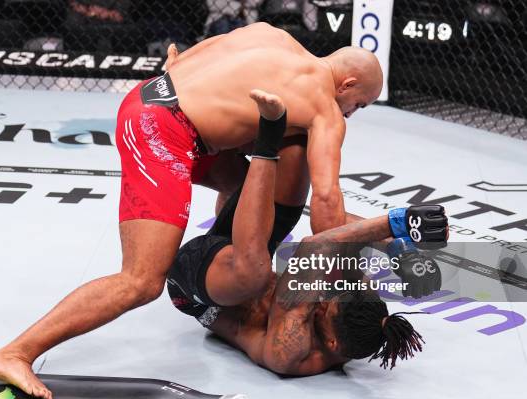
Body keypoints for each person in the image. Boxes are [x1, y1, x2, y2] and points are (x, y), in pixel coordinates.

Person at [0, 22, 383, 399]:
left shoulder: (272, 36)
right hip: (164, 131)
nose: (352, 112)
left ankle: (222, 251)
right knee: (141, 280)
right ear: (347, 84)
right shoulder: (324, 110)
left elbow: (196, 55)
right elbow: (327, 203)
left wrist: (179, 68)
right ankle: (15, 352)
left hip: (155, 97)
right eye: (358, 103)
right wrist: (343, 278)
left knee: (259, 175)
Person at [168, 92, 448, 374]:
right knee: (296, 148)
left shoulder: (290, 349)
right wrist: (399, 250)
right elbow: (339, 231)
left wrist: (396, 222)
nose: (323, 302)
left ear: (332, 343)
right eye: (332, 298)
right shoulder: (353, 309)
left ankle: (260, 139)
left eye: (325, 309)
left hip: (197, 285)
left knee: (256, 273)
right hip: (241, 252)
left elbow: (314, 245)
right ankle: (214, 123)